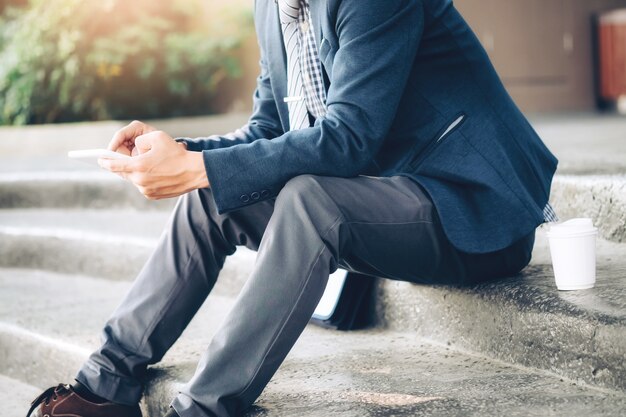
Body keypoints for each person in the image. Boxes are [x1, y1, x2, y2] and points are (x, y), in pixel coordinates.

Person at [27, 0, 559, 416]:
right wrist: (179, 155)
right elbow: (267, 131)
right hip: (390, 197)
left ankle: (204, 410)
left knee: (310, 201)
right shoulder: (275, 9)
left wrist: (197, 167)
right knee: (211, 196)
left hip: (472, 206)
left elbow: (349, 138)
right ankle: (104, 389)